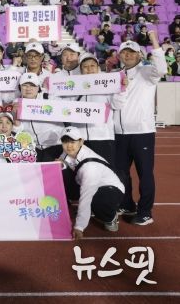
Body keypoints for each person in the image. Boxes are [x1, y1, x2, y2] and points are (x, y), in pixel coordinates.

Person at [114, 34, 166, 225]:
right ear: (119, 55)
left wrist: (154, 41)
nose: (127, 55)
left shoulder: (147, 72)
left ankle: (145, 212)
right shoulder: (115, 75)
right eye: (124, 52)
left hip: (142, 133)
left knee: (144, 174)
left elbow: (162, 69)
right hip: (119, 133)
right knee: (121, 173)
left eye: (132, 52)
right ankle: (127, 204)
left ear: (139, 55)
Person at [59, 127, 124, 240]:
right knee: (60, 170)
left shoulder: (90, 168)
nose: (69, 146)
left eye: (73, 142)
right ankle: (87, 209)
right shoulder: (67, 152)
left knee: (95, 201)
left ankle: (111, 217)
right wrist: (60, 165)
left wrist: (79, 227)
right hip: (85, 183)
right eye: (65, 142)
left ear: (81, 142)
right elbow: (63, 163)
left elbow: (86, 196)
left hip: (110, 188)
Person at [71, 54, 127, 164]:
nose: (89, 69)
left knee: (104, 172)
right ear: (81, 70)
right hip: (80, 140)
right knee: (81, 172)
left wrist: (122, 89)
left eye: (92, 65)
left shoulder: (108, 84)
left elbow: (117, 105)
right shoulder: (73, 86)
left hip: (103, 138)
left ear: (98, 67)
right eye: (85, 66)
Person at [16, 72, 64, 162]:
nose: (28, 89)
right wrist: (16, 122)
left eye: (32, 85)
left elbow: (67, 111)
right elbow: (17, 130)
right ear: (20, 87)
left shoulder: (49, 98)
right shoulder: (16, 103)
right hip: (32, 148)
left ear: (38, 87)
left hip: (54, 146)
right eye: (25, 85)